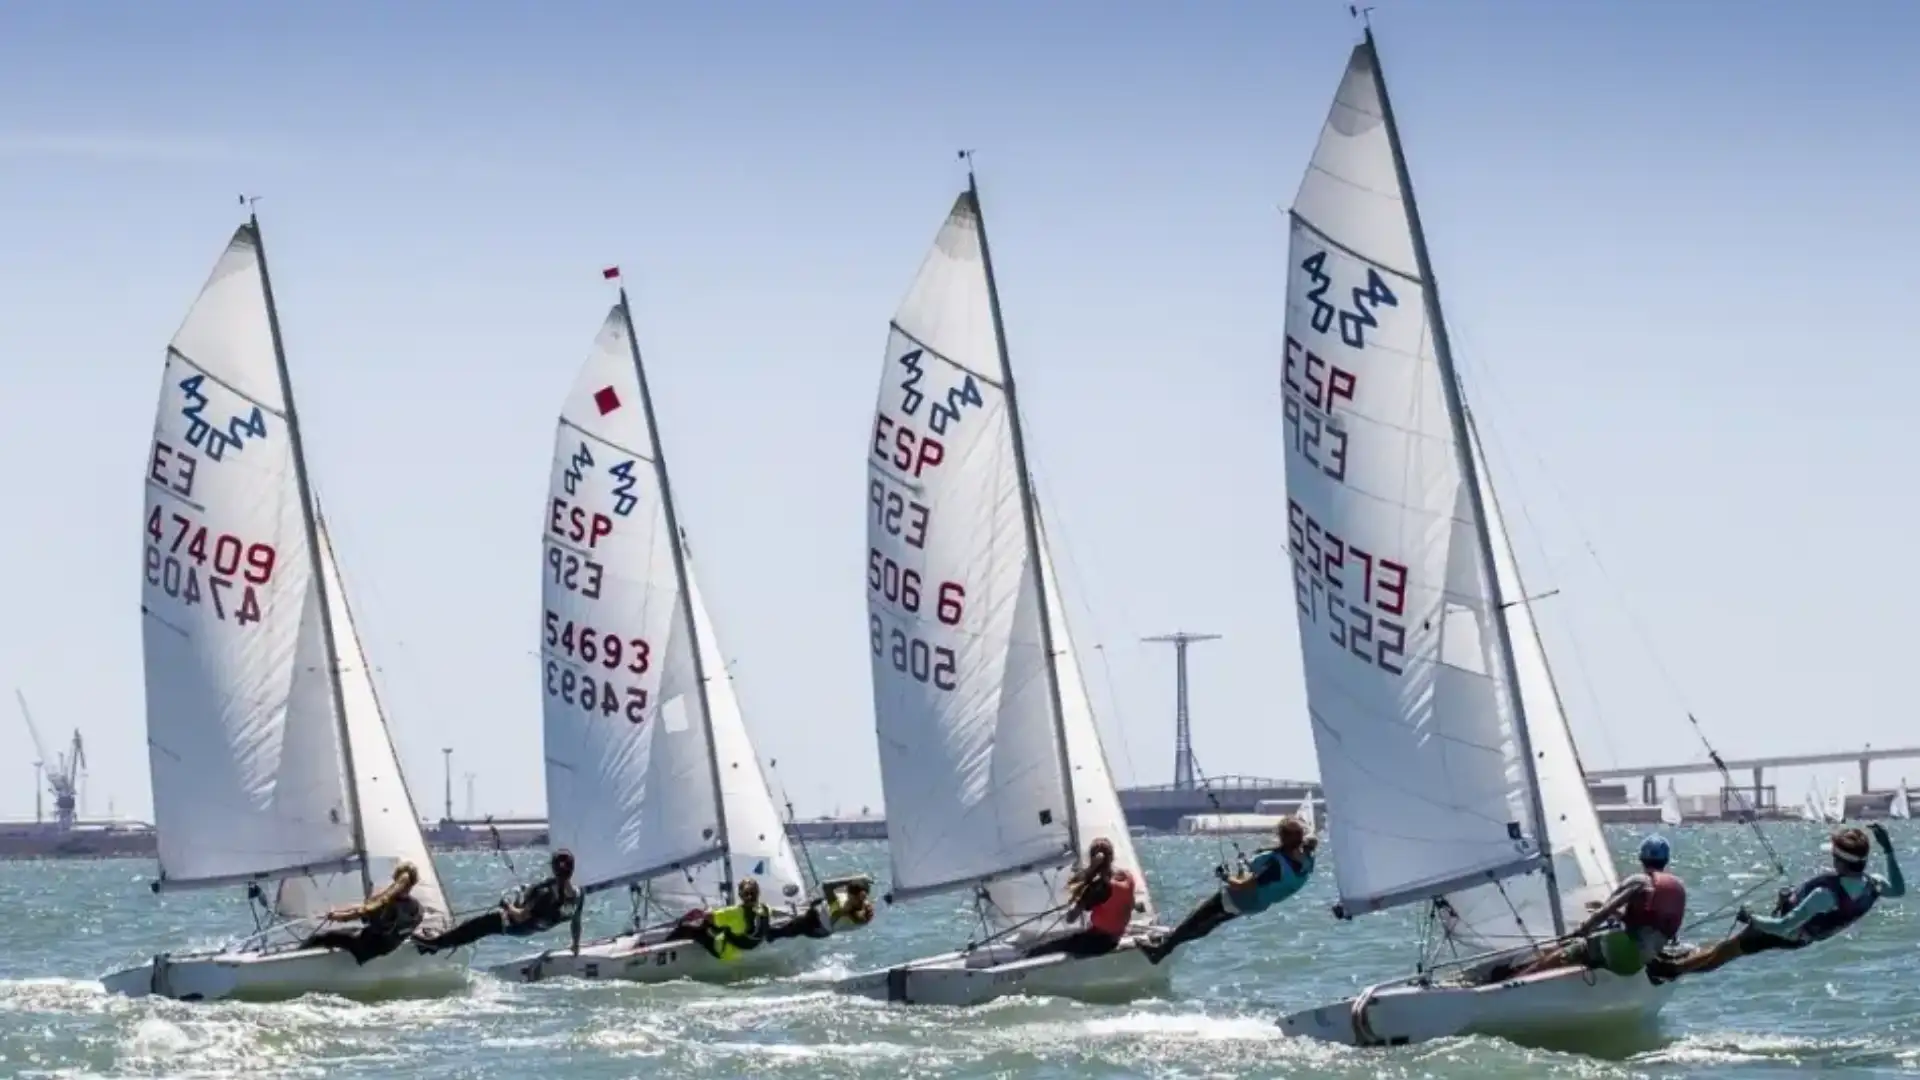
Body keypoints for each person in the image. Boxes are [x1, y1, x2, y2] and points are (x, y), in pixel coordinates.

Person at [1648, 824, 1905, 980]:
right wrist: (1889, 849)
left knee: (1726, 951)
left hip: (1785, 934)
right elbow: (1899, 889)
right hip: (1801, 939)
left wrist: (1752, 919)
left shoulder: (1825, 896)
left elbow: (1783, 926)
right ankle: (1676, 966)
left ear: (1839, 860)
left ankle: (1668, 971)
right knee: (1726, 948)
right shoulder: (1875, 884)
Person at [1143, 816, 1316, 965]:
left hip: (1239, 897)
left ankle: (1160, 950)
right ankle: (1166, 945)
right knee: (1208, 924)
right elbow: (1283, 859)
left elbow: (1243, 885)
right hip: (1254, 905)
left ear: (1281, 836)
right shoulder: (1307, 859)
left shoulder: (1275, 865)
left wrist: (1224, 876)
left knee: (1196, 921)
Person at [1515, 834, 1687, 979]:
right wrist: (1618, 916)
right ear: (1666, 860)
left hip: (1625, 955)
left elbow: (1604, 912)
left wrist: (1583, 929)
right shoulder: (1677, 886)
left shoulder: (1639, 881)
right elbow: (1649, 921)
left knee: (1571, 950)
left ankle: (1521, 977)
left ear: (1641, 858)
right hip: (1645, 958)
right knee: (1589, 946)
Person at [417, 849, 582, 955]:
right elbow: (576, 922)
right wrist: (575, 945)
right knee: (473, 926)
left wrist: (506, 905)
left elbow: (520, 917)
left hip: (517, 926)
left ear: (553, 868)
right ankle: (440, 942)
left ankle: (435, 944)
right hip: (532, 928)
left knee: (475, 927)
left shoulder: (545, 893)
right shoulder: (578, 894)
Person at [1024, 837, 1139, 959]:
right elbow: (1130, 905)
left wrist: (1081, 893)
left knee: (1045, 948)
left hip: (1101, 943)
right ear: (1111, 857)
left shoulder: (1099, 887)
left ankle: (1027, 956)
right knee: (1076, 937)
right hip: (1117, 935)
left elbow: (1070, 919)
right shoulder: (1127, 877)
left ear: (1092, 859)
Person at [303, 861, 424, 965]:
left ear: (395, 878)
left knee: (319, 938)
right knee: (352, 931)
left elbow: (360, 913)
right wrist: (339, 911)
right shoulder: (418, 908)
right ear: (414, 882)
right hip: (388, 947)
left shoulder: (386, 904)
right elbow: (365, 909)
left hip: (366, 948)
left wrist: (335, 916)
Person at [666, 876, 774, 960]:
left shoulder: (734, 911)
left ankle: (665, 947)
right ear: (758, 893)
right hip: (743, 951)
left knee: (687, 928)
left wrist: (707, 910)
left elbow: (709, 916)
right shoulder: (765, 908)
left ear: (740, 894)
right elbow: (773, 912)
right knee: (722, 926)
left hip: (724, 953)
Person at [766, 878, 876, 941]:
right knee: (810, 907)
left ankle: (771, 934)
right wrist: (851, 880)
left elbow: (859, 918)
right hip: (818, 911)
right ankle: (777, 925)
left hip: (819, 928)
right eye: (848, 895)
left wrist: (846, 910)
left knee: (798, 925)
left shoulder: (862, 912)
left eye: (851, 897)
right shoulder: (846, 900)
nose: (848, 898)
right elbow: (827, 885)